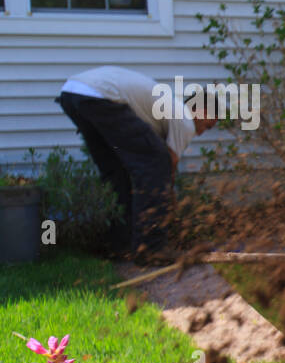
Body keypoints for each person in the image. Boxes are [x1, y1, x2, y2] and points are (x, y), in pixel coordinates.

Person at [56, 66, 217, 263]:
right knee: (156, 163)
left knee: (118, 172)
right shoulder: (184, 118)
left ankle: (121, 246)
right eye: (208, 125)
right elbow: (168, 164)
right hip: (101, 96)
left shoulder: (161, 113)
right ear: (200, 110)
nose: (202, 132)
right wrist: (169, 199)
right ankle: (152, 249)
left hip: (74, 93)